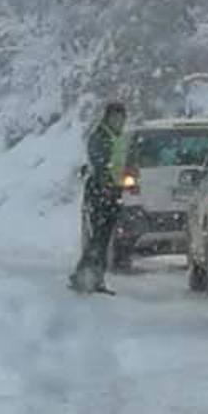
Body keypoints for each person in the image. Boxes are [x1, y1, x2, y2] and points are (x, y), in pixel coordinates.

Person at [69, 101, 128, 294]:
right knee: (98, 238)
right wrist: (106, 185)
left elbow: (121, 162)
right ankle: (84, 276)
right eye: (115, 118)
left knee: (103, 239)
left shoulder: (118, 137)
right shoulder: (100, 137)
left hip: (114, 192)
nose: (118, 121)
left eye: (121, 118)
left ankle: (94, 278)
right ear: (107, 118)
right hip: (100, 192)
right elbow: (100, 163)